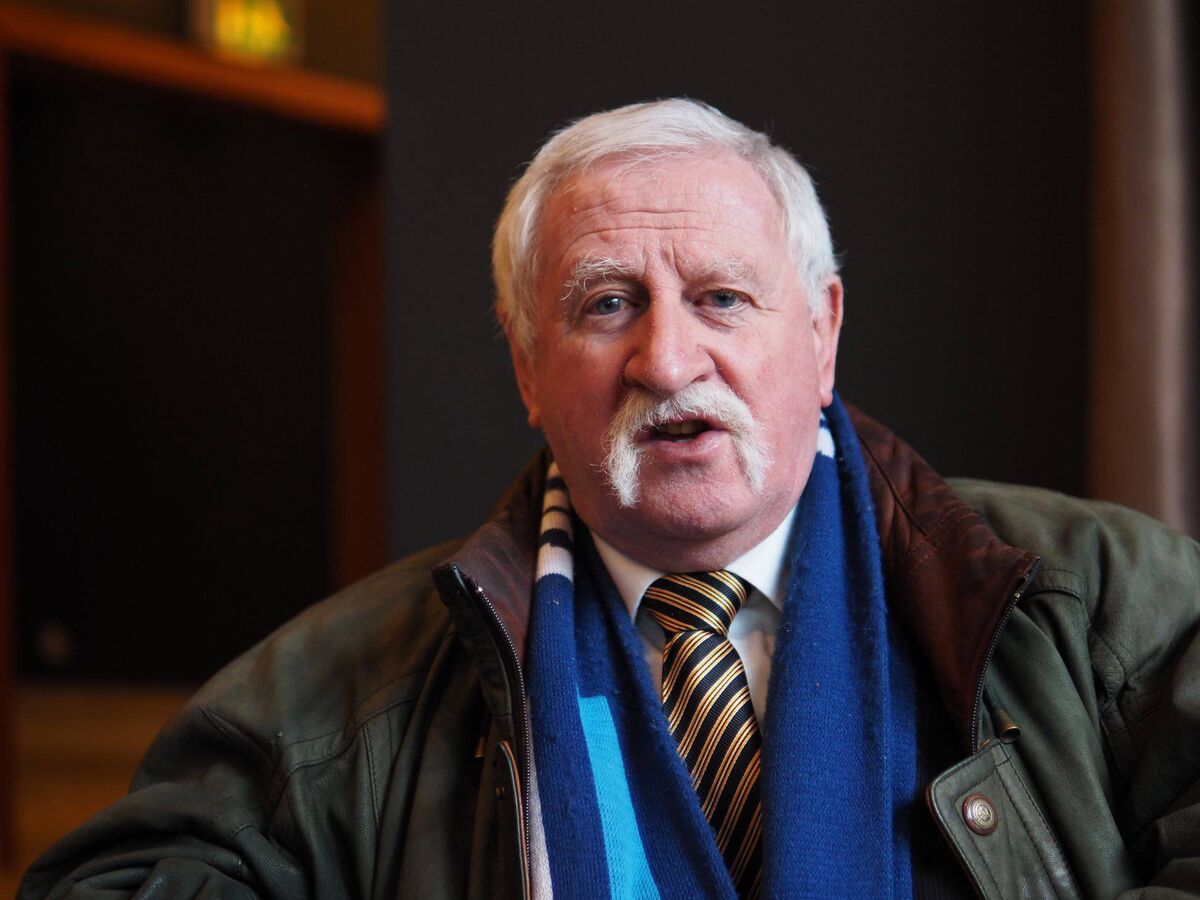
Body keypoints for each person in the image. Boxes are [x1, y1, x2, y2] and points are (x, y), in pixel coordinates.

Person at [19, 100, 1200, 899]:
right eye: (606, 304)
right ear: (528, 369)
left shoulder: (1105, 602)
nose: (668, 361)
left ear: (823, 332)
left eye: (722, 297)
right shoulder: (343, 695)